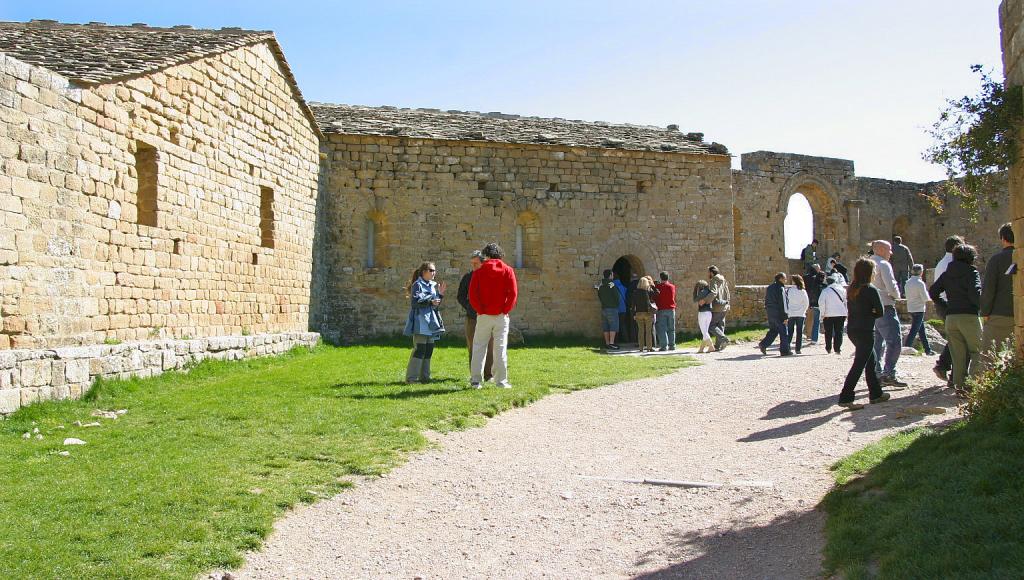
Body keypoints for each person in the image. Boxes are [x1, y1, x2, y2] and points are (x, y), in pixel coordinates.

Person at [837, 259, 890, 409]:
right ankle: (845, 397)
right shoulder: (870, 289)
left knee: (870, 361)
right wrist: (870, 313)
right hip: (866, 330)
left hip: (853, 329)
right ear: (869, 273)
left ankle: (876, 394)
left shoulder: (852, 288)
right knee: (859, 364)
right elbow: (880, 311)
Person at [929, 244, 982, 394]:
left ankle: (960, 387)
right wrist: (981, 308)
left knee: (958, 355)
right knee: (977, 351)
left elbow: (933, 291)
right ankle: (974, 384)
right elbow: (975, 294)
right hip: (969, 316)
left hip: (951, 317)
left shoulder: (947, 273)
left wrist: (946, 306)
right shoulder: (971, 272)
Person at [469, 243, 518, 388]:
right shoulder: (508, 270)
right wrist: (505, 310)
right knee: (500, 348)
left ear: (486, 255)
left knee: (479, 347)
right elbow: (513, 294)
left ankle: (476, 380)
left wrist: (480, 310)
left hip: (483, 315)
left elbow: (472, 295)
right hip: (501, 315)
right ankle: (501, 381)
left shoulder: (478, 272)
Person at [870, 240, 906, 387]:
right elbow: (891, 285)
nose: (891, 253)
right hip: (885, 305)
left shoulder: (868, 263)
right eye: (889, 250)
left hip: (872, 308)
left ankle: (876, 373)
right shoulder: (884, 264)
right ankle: (889, 373)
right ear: (881, 250)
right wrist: (897, 295)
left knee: (878, 342)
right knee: (895, 341)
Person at [403, 262, 447, 383]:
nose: (434, 273)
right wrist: (430, 301)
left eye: (434, 270)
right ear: (424, 272)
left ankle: (425, 377)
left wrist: (440, 296)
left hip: (431, 323)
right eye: (431, 270)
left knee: (429, 350)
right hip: (421, 322)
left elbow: (435, 305)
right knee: (420, 349)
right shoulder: (417, 285)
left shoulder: (433, 285)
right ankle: (411, 378)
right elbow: (415, 303)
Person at [979, 223, 1015, 366]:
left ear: (1003, 238)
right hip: (1018, 315)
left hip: (999, 315)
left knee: (989, 358)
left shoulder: (996, 260)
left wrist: (985, 313)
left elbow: (988, 290)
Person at [458, 251, 493, 381]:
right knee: (473, 347)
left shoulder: (490, 276)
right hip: (472, 318)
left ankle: (488, 375)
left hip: (488, 317)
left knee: (489, 346)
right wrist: (469, 307)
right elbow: (460, 296)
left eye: (476, 263)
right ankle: (475, 376)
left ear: (483, 263)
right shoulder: (468, 277)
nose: (473, 266)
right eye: (471, 263)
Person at [932, 235, 964, 381]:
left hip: (944, 305)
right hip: (950, 305)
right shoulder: (952, 263)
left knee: (955, 338)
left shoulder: (942, 262)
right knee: (959, 339)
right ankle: (949, 370)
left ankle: (946, 367)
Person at [902, 264, 934, 355]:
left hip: (911, 307)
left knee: (921, 330)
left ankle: (927, 349)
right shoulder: (920, 283)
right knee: (914, 329)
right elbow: (925, 298)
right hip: (919, 308)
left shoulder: (908, 282)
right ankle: (906, 348)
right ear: (921, 272)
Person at [758, 272, 792, 357]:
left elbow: (766, 300)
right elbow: (783, 303)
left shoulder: (770, 287)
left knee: (773, 331)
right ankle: (785, 351)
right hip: (779, 313)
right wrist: (785, 316)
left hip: (771, 312)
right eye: (784, 278)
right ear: (780, 279)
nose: (786, 280)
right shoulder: (781, 288)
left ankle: (763, 344)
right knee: (784, 332)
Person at [819, 274, 848, 355]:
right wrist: (846, 312)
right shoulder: (842, 290)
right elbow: (846, 302)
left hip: (828, 314)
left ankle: (828, 348)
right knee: (839, 331)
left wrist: (822, 314)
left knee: (828, 332)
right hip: (841, 313)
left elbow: (821, 303)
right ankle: (837, 348)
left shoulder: (825, 291)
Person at [631, 276, 658, 352]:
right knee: (648, 331)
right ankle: (649, 347)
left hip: (638, 313)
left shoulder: (635, 292)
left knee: (640, 331)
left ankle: (641, 347)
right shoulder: (647, 292)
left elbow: (633, 305)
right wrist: (652, 285)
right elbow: (657, 293)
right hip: (647, 313)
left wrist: (633, 314)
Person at [596, 269, 622, 350]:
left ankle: (607, 343)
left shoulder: (601, 285)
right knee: (613, 325)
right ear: (610, 275)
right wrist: (616, 304)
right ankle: (611, 343)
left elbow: (599, 295)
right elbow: (617, 296)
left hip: (604, 308)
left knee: (606, 326)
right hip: (612, 308)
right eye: (612, 275)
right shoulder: (611, 283)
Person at [707, 265, 731, 351]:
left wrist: (707, 301)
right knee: (720, 325)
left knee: (711, 326)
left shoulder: (713, 280)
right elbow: (728, 292)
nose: (708, 274)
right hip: (725, 306)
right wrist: (727, 303)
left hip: (717, 307)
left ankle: (724, 339)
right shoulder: (723, 280)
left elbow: (713, 293)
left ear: (712, 273)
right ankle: (718, 345)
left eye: (708, 272)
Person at [785, 274, 809, 354]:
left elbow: (786, 302)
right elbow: (806, 303)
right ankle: (798, 349)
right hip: (800, 314)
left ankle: (787, 347)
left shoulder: (789, 290)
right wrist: (803, 310)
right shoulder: (803, 291)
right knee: (799, 332)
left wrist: (787, 311)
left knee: (790, 331)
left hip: (791, 313)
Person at [654, 271, 677, 351]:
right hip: (671, 309)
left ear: (660, 278)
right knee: (671, 328)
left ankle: (664, 346)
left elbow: (656, 297)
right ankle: (672, 345)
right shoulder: (672, 286)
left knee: (662, 328)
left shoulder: (659, 287)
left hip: (662, 309)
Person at [804, 264, 826, 344]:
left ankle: (811, 336)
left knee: (811, 320)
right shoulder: (822, 284)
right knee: (825, 321)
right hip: (820, 304)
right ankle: (830, 338)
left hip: (811, 302)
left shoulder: (806, 277)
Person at [693, 279, 714, 353]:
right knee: (705, 331)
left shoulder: (702, 292)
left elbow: (695, 299)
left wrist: (695, 290)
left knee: (704, 332)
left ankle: (711, 346)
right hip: (709, 313)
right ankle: (701, 348)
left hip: (702, 313)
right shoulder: (709, 291)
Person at [612, 272, 628, 346]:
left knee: (615, 324)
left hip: (615, 308)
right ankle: (626, 339)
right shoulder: (623, 286)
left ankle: (616, 340)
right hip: (623, 308)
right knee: (623, 324)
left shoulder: (612, 286)